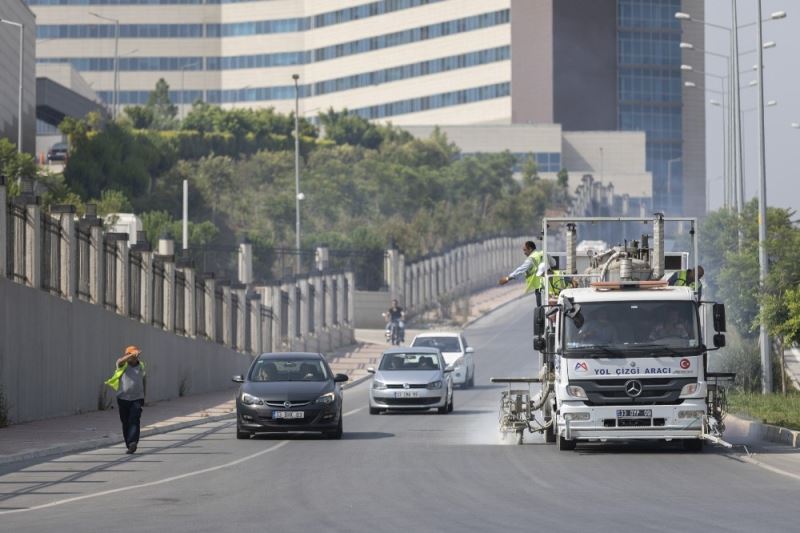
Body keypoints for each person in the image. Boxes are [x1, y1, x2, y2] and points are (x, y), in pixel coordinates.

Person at [105, 345, 146, 454]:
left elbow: (143, 381)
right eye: (132, 355)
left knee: (134, 420)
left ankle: (133, 442)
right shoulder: (122, 364)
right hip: (123, 399)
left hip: (137, 399)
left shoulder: (140, 365)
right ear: (127, 355)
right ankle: (129, 445)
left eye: (135, 355)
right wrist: (130, 356)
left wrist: (144, 396)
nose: (135, 357)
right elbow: (120, 361)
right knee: (125, 422)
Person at [499, 241, 550, 306]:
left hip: (540, 286)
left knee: (542, 309)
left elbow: (520, 270)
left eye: (525, 250)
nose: (524, 253)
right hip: (549, 284)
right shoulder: (541, 254)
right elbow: (553, 263)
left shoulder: (532, 259)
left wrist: (507, 278)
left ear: (530, 249)